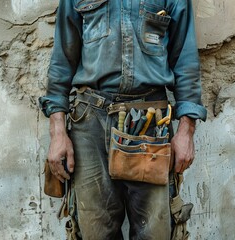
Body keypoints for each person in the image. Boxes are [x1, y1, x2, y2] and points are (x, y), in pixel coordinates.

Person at [39, 0, 207, 239]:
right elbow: (61, 62)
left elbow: (186, 62)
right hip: (90, 121)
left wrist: (186, 131)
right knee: (95, 232)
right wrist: (57, 133)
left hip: (151, 123)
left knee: (155, 232)